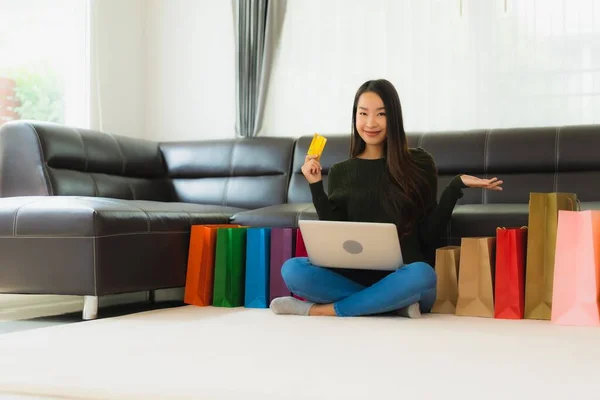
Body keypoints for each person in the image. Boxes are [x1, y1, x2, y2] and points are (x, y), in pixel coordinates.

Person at [270, 79, 503, 318]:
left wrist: (455, 187)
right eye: (363, 113)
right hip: (356, 276)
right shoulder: (341, 171)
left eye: (381, 114)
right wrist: (316, 186)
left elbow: (429, 235)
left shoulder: (419, 162)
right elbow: (336, 233)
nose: (371, 123)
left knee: (424, 274)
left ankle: (322, 311)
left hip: (406, 277)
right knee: (293, 269)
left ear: (393, 117)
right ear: (355, 117)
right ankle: (392, 304)